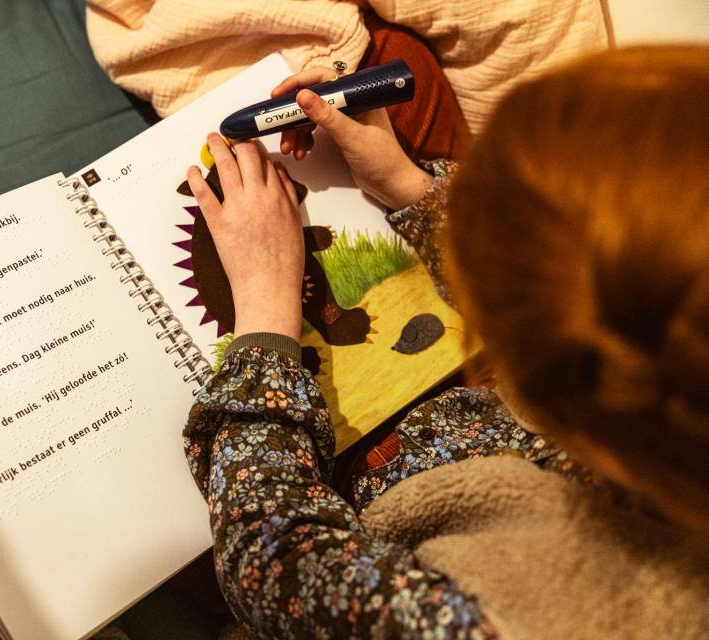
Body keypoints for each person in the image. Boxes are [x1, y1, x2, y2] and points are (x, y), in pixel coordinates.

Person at [183, 45, 709, 639]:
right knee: (405, 60)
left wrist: (264, 299)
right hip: (466, 433)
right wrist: (406, 183)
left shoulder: (488, 623)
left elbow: (272, 560)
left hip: (332, 510)